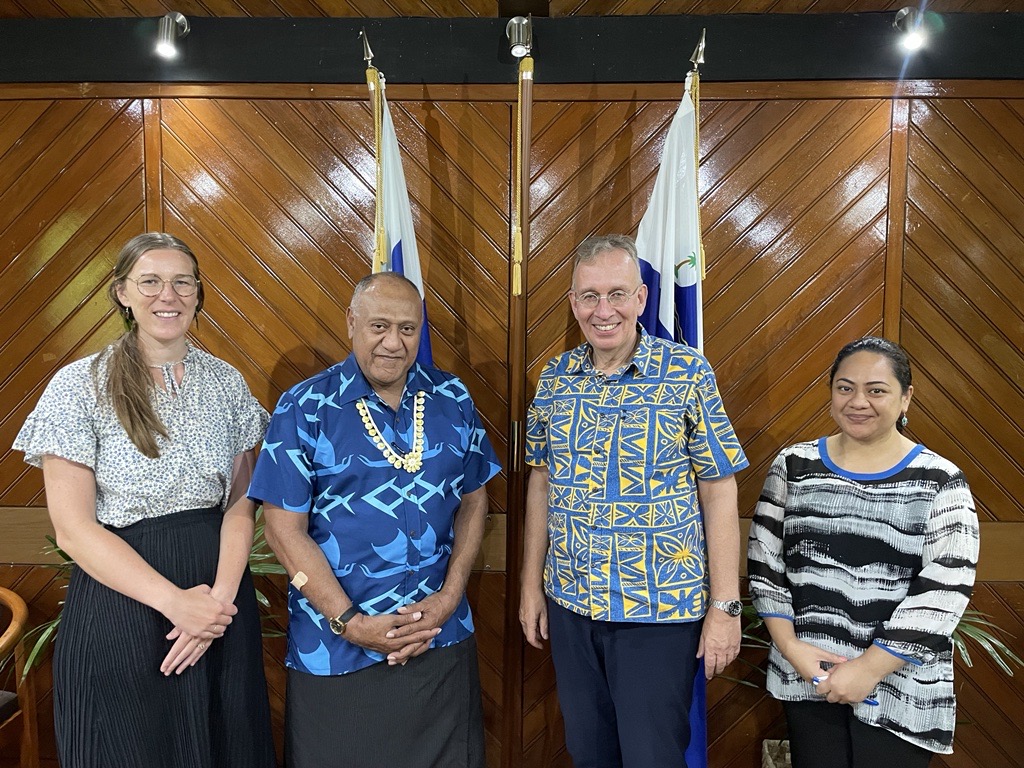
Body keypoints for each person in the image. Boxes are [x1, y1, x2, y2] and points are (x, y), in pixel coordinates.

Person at [13, 233, 275, 768]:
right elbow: (74, 530)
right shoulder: (78, 385)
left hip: (219, 602)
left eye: (182, 282)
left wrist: (217, 605)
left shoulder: (226, 382)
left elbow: (242, 503)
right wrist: (177, 604)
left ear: (199, 294)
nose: (168, 295)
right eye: (150, 281)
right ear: (122, 294)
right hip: (124, 605)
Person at [248, 271, 501, 768]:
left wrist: (450, 598)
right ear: (352, 324)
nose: (393, 342)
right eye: (379, 326)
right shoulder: (304, 407)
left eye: (408, 329)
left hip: (438, 640)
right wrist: (350, 622)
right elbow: (282, 530)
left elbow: (475, 500)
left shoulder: (453, 397)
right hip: (336, 652)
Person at [520, 234, 749, 767]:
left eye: (617, 294)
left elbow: (718, 491)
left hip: (659, 613)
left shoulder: (687, 374)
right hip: (572, 606)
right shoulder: (554, 379)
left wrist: (725, 607)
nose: (604, 311)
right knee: (589, 754)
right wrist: (532, 585)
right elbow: (541, 482)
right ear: (573, 302)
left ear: (642, 299)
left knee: (652, 757)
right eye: (590, 296)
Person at [747, 336, 980, 768]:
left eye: (877, 390)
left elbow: (944, 591)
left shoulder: (940, 480)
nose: (858, 401)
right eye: (845, 387)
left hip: (900, 686)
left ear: (906, 397)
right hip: (807, 676)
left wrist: (869, 669)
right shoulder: (794, 466)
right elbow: (765, 566)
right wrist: (793, 649)